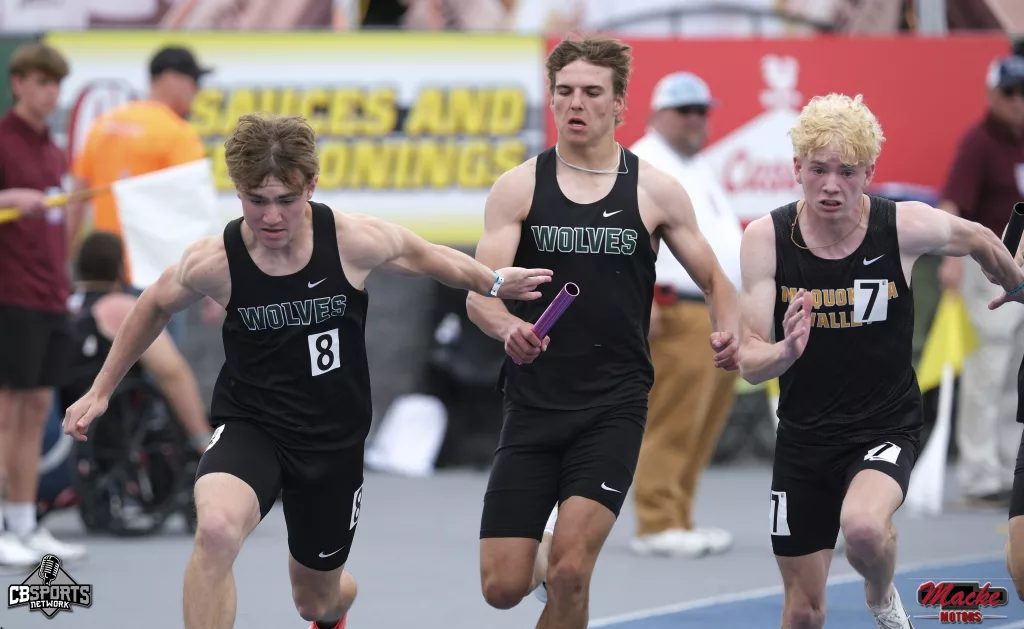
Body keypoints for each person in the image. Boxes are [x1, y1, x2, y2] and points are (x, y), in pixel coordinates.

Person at [62, 112, 553, 629]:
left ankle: (334, 609)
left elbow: (427, 256)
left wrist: (492, 282)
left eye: (287, 200)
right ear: (238, 192)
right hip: (252, 425)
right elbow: (152, 305)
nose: (272, 216)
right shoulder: (216, 261)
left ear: (311, 187)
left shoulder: (352, 240)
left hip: (330, 440)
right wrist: (101, 390)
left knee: (316, 601)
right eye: (257, 201)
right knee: (217, 530)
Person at [466, 35, 740, 628]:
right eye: (565, 91)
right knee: (502, 586)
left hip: (613, 404)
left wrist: (727, 332)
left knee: (572, 570)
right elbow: (480, 296)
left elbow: (717, 279)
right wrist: (508, 326)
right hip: (533, 405)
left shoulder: (654, 189)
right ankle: (545, 555)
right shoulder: (517, 188)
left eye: (592, 92)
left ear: (619, 104)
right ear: (551, 98)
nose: (576, 103)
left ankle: (564, 563)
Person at [737, 92, 1024, 629]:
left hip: (884, 425)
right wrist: (784, 350)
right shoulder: (766, 238)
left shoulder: (902, 226)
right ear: (796, 168)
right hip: (803, 438)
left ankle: (880, 591)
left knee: (864, 528)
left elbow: (978, 237)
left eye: (847, 172)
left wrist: (1014, 281)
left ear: (869, 173)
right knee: (803, 612)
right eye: (818, 170)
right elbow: (750, 362)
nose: (831, 185)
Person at [627, 70, 742, 558]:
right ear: (658, 114)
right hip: (675, 306)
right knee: (672, 416)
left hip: (712, 309)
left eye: (702, 111)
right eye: (685, 111)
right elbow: (627, 236)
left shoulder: (695, 166)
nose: (696, 119)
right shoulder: (643, 162)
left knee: (702, 419)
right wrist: (643, 297)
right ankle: (656, 520)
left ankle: (679, 515)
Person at [0, 41, 88, 568]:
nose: (50, 93)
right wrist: (9, 199)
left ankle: (23, 522)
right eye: (41, 82)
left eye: (56, 84)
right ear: (18, 83)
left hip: (51, 295)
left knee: (36, 412)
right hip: (10, 294)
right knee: (6, 412)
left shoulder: (53, 151)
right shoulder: (3, 140)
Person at [68, 44, 213, 345]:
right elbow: (193, 213)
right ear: (170, 78)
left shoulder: (104, 125)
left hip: (103, 274)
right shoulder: (178, 133)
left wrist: (67, 262)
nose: (196, 91)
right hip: (156, 276)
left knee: (103, 363)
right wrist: (212, 283)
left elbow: (76, 200)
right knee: (161, 366)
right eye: (193, 81)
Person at [937, 54, 1024, 508]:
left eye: (1023, 92)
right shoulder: (979, 143)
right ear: (991, 95)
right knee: (987, 366)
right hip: (989, 262)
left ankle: (1010, 467)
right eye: (1009, 92)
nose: (1018, 101)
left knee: (1017, 369)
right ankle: (979, 473)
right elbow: (953, 203)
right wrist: (950, 259)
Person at [60, 230, 214, 452]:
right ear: (120, 268)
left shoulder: (65, 305)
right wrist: (201, 437)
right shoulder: (118, 305)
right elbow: (171, 372)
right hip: (109, 429)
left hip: (64, 426)